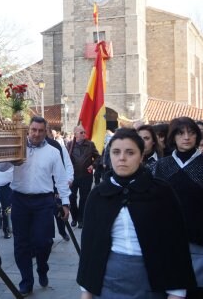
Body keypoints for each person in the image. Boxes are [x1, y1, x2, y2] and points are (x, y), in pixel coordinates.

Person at [78, 128, 196, 298]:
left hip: (152, 280)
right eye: (116, 152)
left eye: (130, 152)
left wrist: (176, 293)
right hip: (107, 280)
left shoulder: (161, 192)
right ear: (109, 155)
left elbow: (176, 244)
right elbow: (90, 246)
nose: (122, 158)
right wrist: (86, 292)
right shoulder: (99, 194)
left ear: (141, 156)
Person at [10, 116, 70, 296]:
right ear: (29, 129)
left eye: (40, 130)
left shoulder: (52, 152)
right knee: (21, 243)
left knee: (44, 241)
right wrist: (11, 160)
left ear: (46, 132)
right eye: (33, 130)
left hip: (44, 201)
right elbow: (1, 169)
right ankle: (26, 282)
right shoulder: (17, 147)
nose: (36, 134)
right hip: (19, 200)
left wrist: (65, 203)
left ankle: (42, 268)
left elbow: (61, 178)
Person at [154, 117, 203, 297]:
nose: (186, 137)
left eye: (191, 133)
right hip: (167, 239)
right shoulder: (160, 166)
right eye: (180, 133)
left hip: (198, 242)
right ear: (173, 137)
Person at [67, 125, 100, 229]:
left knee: (84, 199)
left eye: (84, 132)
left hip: (86, 176)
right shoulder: (69, 145)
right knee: (72, 198)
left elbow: (98, 157)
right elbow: (65, 159)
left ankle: (81, 219)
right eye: (81, 132)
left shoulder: (90, 144)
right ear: (75, 134)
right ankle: (74, 217)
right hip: (73, 176)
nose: (84, 134)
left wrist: (93, 165)